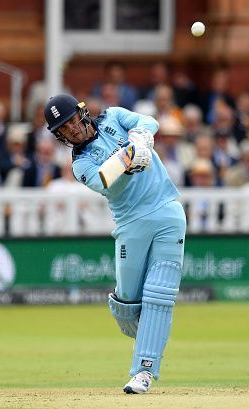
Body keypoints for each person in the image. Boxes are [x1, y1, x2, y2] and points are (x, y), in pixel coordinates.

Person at [44, 93, 186, 394]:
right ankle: (151, 333)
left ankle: (144, 371)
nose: (72, 130)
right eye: (64, 129)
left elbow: (150, 121)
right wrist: (129, 156)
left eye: (72, 122)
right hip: (131, 225)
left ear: (82, 113)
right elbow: (105, 180)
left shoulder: (113, 117)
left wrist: (141, 138)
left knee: (159, 295)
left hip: (167, 211)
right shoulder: (79, 163)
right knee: (126, 307)